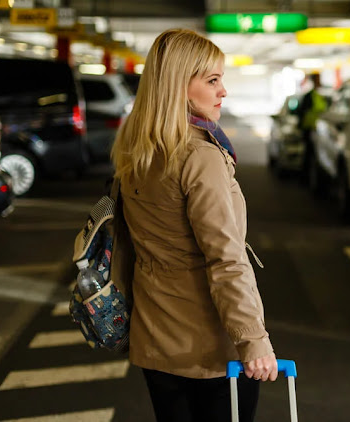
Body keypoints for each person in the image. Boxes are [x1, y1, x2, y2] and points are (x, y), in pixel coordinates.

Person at [111, 28, 278, 422]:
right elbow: (226, 257)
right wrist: (253, 340)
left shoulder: (137, 148)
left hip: (154, 336)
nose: (224, 92)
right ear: (179, 85)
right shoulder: (199, 157)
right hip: (208, 348)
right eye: (212, 80)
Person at [297, 73, 327, 177]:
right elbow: (301, 113)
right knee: (310, 155)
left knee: (316, 155)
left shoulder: (321, 95)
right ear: (314, 81)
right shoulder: (310, 96)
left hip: (322, 131)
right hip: (310, 129)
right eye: (318, 79)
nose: (319, 81)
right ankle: (306, 176)